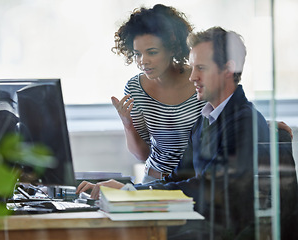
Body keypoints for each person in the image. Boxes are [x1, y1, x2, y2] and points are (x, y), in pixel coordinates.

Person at [78, 27, 273, 239]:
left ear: (228, 69)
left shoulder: (244, 122)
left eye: (201, 68)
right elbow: (180, 175)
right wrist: (127, 189)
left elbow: (209, 187)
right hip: (197, 225)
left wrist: (132, 194)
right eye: (192, 68)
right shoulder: (206, 118)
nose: (192, 77)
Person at [110, 4, 206, 183]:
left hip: (194, 183)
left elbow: (226, 125)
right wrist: (127, 124)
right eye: (137, 54)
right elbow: (142, 154)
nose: (143, 61)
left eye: (152, 52)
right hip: (153, 181)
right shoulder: (135, 89)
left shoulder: (199, 81)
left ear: (172, 48)